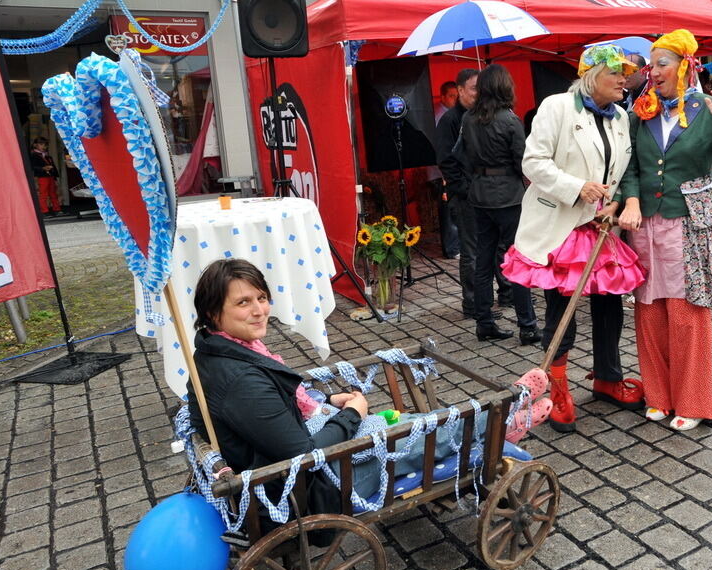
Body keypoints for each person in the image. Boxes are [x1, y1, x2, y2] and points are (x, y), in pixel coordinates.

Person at [186, 259, 550, 515]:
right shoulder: (241, 382)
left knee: (404, 425)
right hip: (318, 488)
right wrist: (350, 414)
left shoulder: (217, 353)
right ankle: (503, 417)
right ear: (213, 313)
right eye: (243, 303)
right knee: (417, 433)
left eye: (261, 298)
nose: (259, 310)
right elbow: (306, 454)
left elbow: (270, 411)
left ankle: (500, 422)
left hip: (285, 469)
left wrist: (326, 399)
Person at [618, 29, 712, 431]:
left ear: (685, 65)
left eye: (663, 63)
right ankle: (659, 395)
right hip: (645, 223)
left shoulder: (707, 108)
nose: (655, 71)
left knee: (686, 314)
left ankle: (694, 401)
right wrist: (630, 199)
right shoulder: (639, 112)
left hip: (689, 224)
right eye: (652, 64)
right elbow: (630, 168)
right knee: (648, 311)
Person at [501, 44, 645, 434]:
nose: (624, 79)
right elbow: (533, 162)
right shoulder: (557, 107)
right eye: (616, 72)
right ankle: (557, 386)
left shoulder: (619, 116)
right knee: (560, 310)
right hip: (561, 225)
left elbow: (623, 166)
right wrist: (576, 187)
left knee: (609, 302)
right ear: (592, 75)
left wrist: (614, 202)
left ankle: (607, 377)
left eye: (627, 72)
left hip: (599, 226)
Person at [460, 64, 541, 344]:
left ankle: (484, 322)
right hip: (508, 197)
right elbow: (524, 161)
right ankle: (527, 325)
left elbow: (463, 156)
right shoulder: (510, 120)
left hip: (481, 195)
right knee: (517, 259)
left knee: (483, 260)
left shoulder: (469, 119)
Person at [438, 68, 512, 319]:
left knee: (498, 246)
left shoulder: (486, 115)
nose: (479, 93)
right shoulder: (450, 121)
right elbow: (447, 162)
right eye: (473, 89)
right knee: (471, 252)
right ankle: (472, 304)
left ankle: (506, 293)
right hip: (466, 196)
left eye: (482, 88)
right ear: (459, 91)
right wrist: (466, 188)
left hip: (489, 194)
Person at [430, 81, 460, 259]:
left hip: (446, 169)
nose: (455, 100)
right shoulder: (440, 116)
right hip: (441, 171)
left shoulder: (448, 114)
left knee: (452, 208)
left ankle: (455, 245)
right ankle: (452, 248)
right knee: (448, 210)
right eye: (451, 96)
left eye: (457, 96)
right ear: (442, 96)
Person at [30, 136, 61, 216]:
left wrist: (55, 177)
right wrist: (43, 168)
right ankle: (44, 211)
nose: (44, 146)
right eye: (41, 144)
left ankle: (57, 209)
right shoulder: (34, 156)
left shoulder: (48, 156)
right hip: (42, 177)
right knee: (43, 194)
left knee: (53, 193)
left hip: (50, 177)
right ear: (35, 145)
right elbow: (32, 167)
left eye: (45, 145)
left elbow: (53, 166)